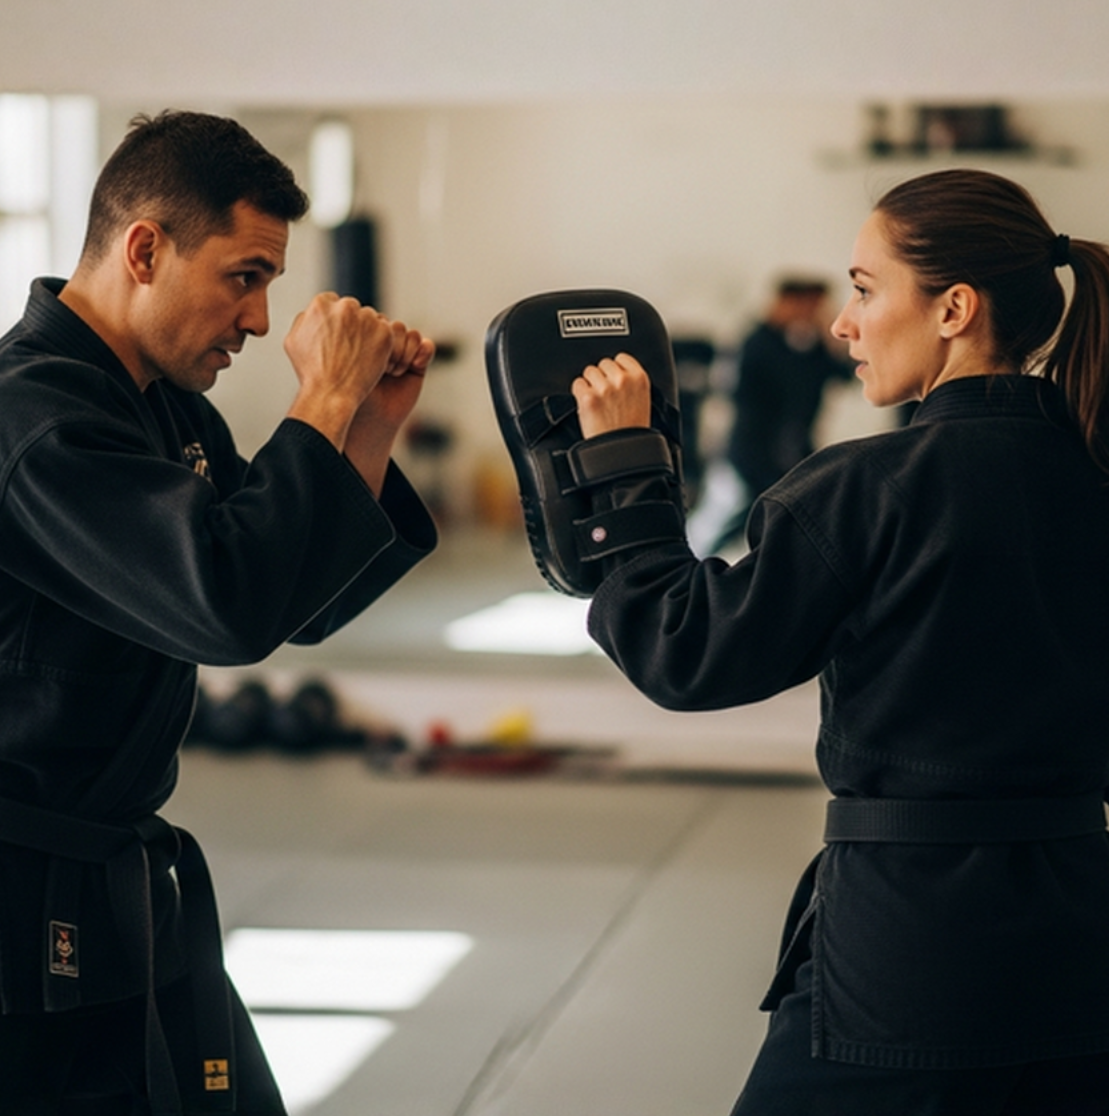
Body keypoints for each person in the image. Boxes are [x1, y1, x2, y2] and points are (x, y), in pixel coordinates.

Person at [568, 168, 1109, 1115]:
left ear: (954, 309)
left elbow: (685, 651)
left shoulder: (868, 487)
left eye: (864, 288)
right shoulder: (1090, 474)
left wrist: (624, 473)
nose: (842, 323)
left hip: (914, 956)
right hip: (1081, 937)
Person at [0, 110, 437, 1114]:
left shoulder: (162, 409)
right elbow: (223, 610)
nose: (255, 319)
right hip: (20, 900)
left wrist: (362, 430)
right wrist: (319, 401)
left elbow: (288, 598)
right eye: (243, 277)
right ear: (144, 249)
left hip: (115, 878)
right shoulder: (34, 419)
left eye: (268, 286)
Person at [711, 277, 853, 550]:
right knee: (730, 522)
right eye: (810, 306)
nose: (812, 314)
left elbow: (843, 373)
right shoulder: (756, 344)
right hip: (752, 454)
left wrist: (830, 335)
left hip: (790, 456)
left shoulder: (805, 349)